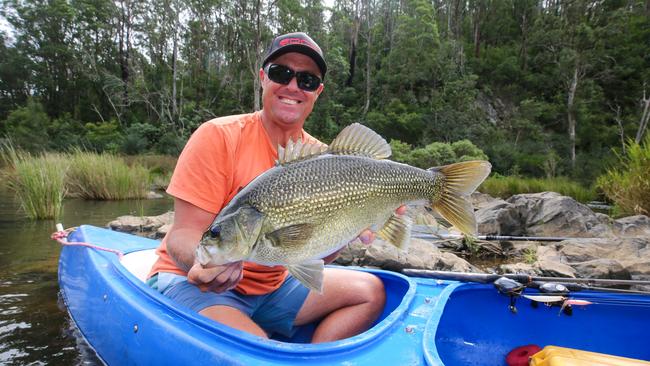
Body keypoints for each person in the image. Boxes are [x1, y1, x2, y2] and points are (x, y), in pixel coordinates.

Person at [147, 32, 402, 343]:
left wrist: (353, 227)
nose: (293, 86)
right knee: (262, 353)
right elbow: (183, 234)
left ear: (317, 92)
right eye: (281, 73)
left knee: (370, 292)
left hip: (273, 285)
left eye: (307, 80)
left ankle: (312, 360)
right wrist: (203, 261)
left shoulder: (325, 160)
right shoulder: (217, 136)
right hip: (191, 282)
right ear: (263, 78)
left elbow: (317, 251)